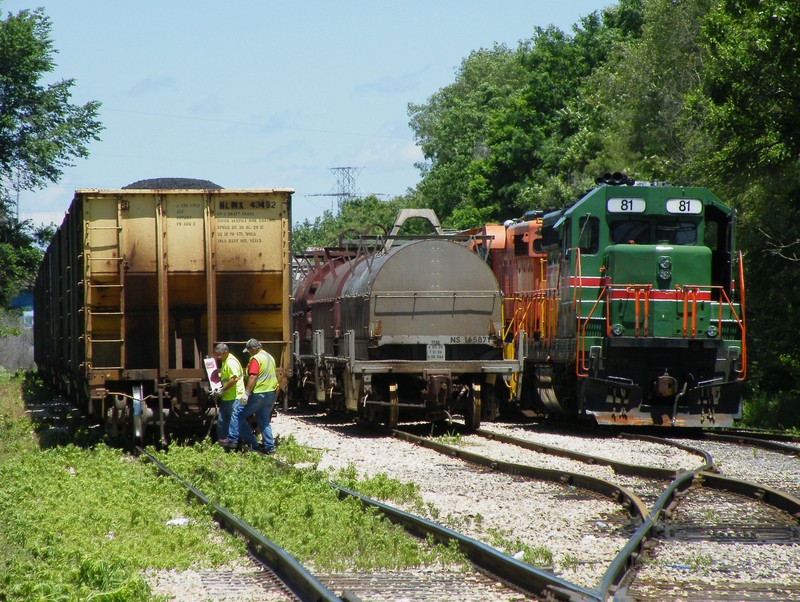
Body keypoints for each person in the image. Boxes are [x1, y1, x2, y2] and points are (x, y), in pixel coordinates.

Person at [219, 338, 278, 453]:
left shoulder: (256, 358)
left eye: (249, 351)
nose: (249, 353)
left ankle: (232, 440)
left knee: (237, 413)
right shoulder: (269, 357)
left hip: (259, 394)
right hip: (270, 393)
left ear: (254, 349)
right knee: (264, 421)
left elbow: (253, 377)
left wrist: (246, 393)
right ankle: (270, 448)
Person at [212, 343, 246, 445]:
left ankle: (246, 442)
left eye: (219, 355)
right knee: (223, 422)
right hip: (227, 397)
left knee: (235, 422)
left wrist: (223, 390)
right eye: (216, 355)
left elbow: (234, 378)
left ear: (226, 352)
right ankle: (224, 446)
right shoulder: (225, 361)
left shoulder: (231, 362)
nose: (217, 357)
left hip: (234, 397)